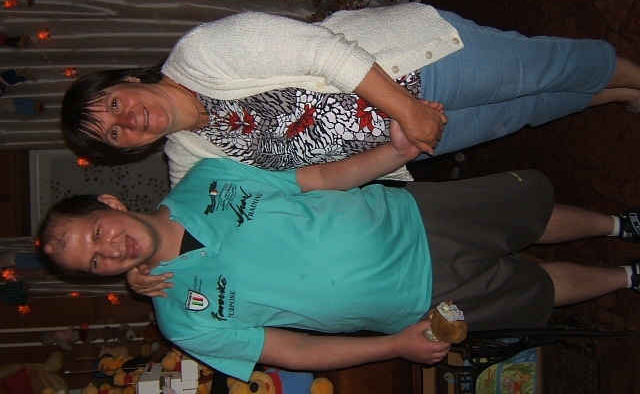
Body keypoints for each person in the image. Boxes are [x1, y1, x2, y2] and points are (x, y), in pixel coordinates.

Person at [39, 120, 640, 382]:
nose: (108, 250)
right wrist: (396, 345)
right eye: (93, 262)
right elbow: (294, 351)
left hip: (415, 216)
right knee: (537, 288)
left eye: (96, 233)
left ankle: (620, 224)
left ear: (109, 203)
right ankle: (629, 277)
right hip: (413, 300)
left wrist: (395, 152)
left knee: (527, 218)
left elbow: (319, 179)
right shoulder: (180, 320)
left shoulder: (205, 179)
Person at [61, 2, 640, 186]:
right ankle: (617, 94)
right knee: (528, 111)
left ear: (127, 81)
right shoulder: (190, 163)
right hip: (405, 142)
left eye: (113, 105)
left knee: (542, 67)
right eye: (113, 134)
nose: (127, 121)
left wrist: (410, 111)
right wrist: (153, 268)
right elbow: (197, 225)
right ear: (127, 150)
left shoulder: (200, 53)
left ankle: (632, 73)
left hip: (419, 69)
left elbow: (322, 52)